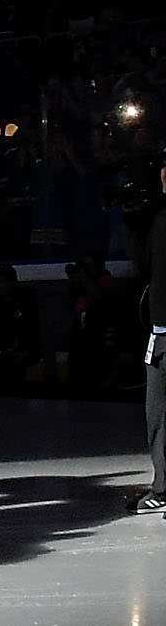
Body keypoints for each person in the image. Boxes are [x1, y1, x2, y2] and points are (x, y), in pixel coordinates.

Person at [140, 163, 166, 514]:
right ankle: (161, 486)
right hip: (161, 331)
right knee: (157, 411)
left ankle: (162, 486)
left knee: (158, 411)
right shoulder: (158, 219)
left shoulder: (159, 219)